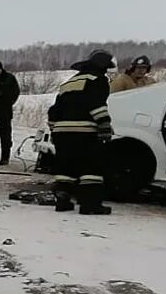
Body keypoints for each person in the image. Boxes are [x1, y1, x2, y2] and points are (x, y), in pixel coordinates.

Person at [46, 51, 115, 214]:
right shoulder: (98, 80)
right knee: (91, 167)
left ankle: (63, 200)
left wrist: (54, 128)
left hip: (62, 131)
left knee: (66, 167)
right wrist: (104, 126)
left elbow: (55, 110)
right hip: (84, 131)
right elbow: (97, 105)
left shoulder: (69, 82)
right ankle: (90, 204)